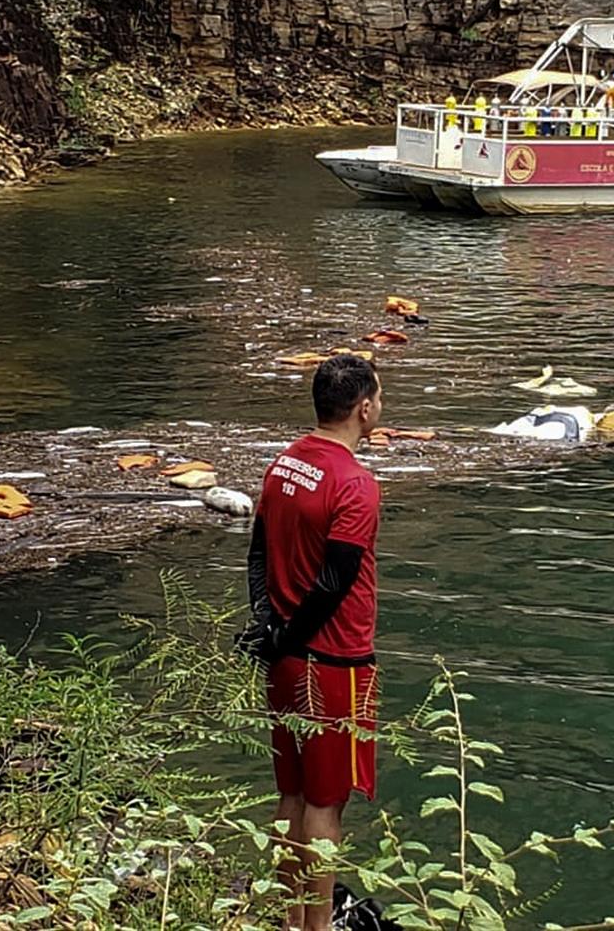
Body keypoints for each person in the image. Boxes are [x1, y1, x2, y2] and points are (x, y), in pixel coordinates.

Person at [241, 355, 385, 931]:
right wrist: (291, 633)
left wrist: (269, 628)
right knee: (326, 802)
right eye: (380, 397)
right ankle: (318, 926)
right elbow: (335, 580)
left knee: (292, 794)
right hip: (335, 661)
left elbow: (257, 552)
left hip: (284, 656)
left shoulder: (285, 464)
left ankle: (286, 918)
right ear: (364, 408)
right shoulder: (355, 482)